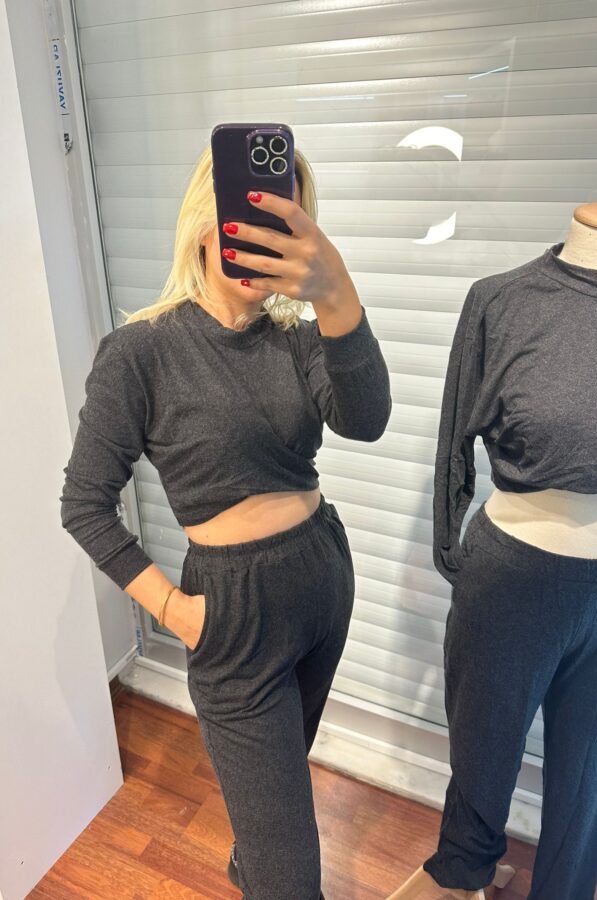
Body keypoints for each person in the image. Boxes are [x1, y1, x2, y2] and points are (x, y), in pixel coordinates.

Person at [59, 143, 393, 900]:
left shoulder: (301, 338)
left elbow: (367, 420)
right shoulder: (141, 352)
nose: (261, 239)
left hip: (321, 581)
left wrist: (336, 293)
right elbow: (84, 503)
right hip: (232, 615)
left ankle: (256, 864)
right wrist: (172, 610)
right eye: (247, 217)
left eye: (285, 225)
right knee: (291, 872)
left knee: (278, 795)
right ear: (207, 222)